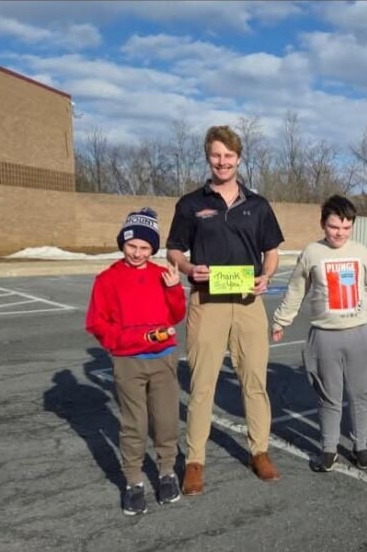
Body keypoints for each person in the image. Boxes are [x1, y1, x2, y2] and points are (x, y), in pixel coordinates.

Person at [166, 125, 284, 495]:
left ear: (238, 158)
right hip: (207, 302)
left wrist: (265, 276)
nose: (222, 162)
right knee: (202, 385)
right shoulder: (190, 204)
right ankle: (195, 461)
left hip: (248, 304)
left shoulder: (258, 204)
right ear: (208, 156)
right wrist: (187, 268)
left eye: (229, 156)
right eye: (216, 155)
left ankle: (259, 451)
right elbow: (173, 250)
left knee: (254, 382)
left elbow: (272, 252)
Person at [271, 195, 367, 472]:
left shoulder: (360, 252)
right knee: (329, 395)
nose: (340, 233)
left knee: (362, 394)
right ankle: (329, 448)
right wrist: (280, 321)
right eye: (334, 227)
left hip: (358, 334)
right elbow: (297, 289)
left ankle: (360, 446)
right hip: (324, 336)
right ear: (323, 224)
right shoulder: (312, 253)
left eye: (346, 228)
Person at [86, 207, 187, 515]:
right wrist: (132, 340)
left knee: (166, 419)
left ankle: (167, 471)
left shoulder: (162, 275)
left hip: (164, 359)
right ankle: (133, 481)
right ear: (123, 243)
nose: (138, 253)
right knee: (134, 423)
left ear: (152, 249)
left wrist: (173, 290)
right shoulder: (107, 279)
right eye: (132, 246)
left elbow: (176, 315)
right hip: (128, 361)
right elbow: (97, 324)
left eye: (145, 248)